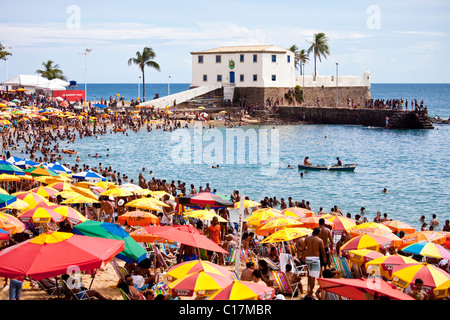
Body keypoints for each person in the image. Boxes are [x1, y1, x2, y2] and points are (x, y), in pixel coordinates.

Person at [301, 227, 326, 295]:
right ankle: (310, 291)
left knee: (309, 274)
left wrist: (307, 251)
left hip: (308, 258)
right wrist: (324, 257)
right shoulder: (320, 240)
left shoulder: (307, 239)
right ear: (318, 233)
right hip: (315, 258)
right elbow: (323, 251)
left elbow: (302, 248)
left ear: (312, 232)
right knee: (313, 276)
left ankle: (308, 288)